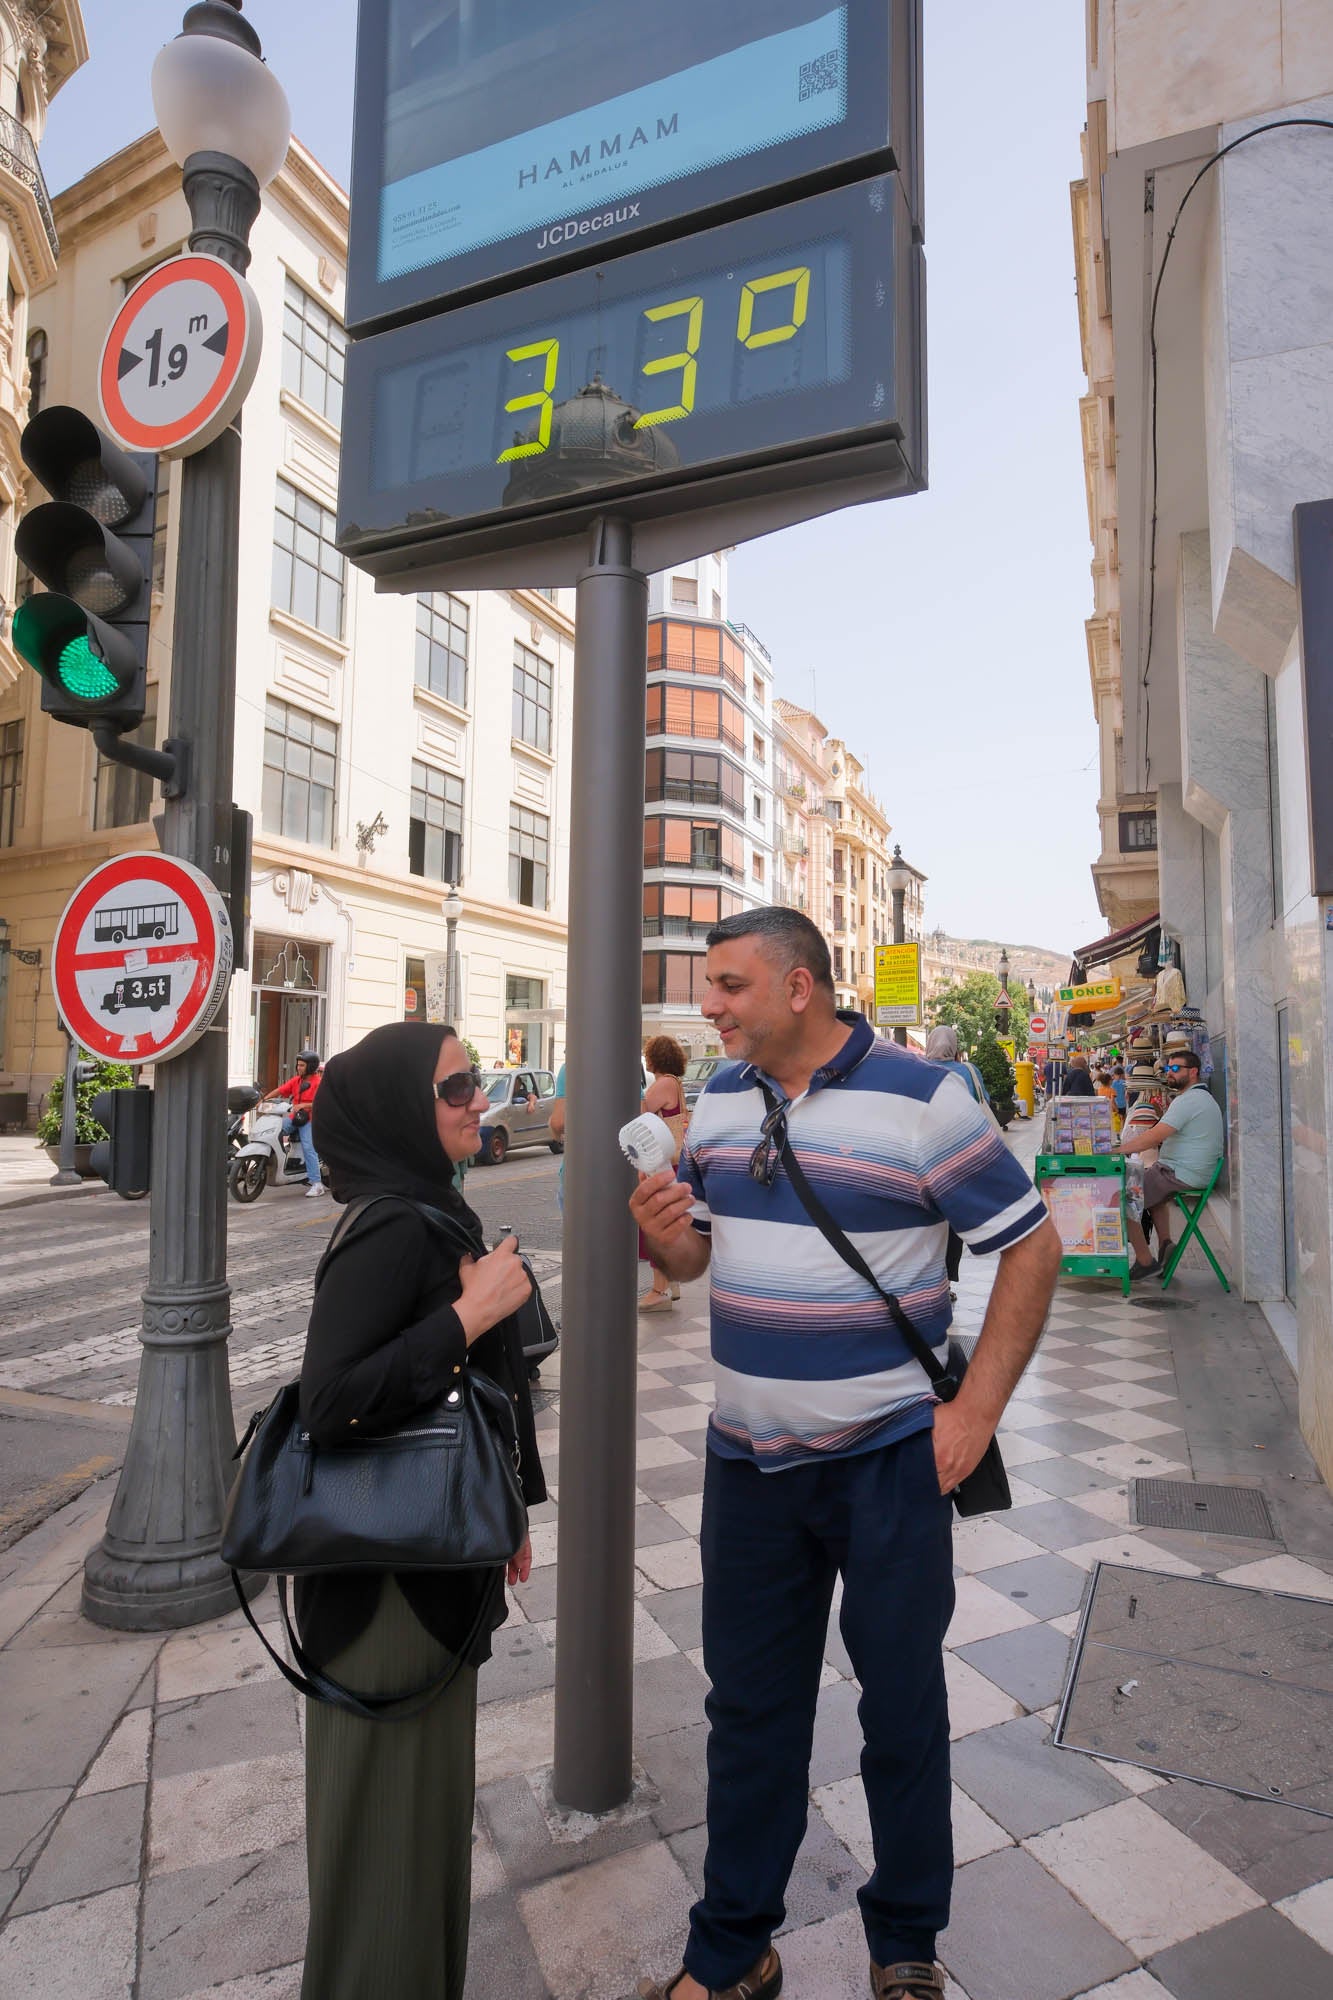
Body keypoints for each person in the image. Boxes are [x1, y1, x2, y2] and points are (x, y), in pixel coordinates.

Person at [629, 908, 1061, 2000]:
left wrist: (974, 1415)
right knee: (748, 1708)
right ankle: (733, 1949)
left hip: (887, 1460)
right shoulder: (721, 1100)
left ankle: (905, 1939)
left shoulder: (924, 1098)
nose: (709, 1003)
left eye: (728, 984)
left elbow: (1031, 1245)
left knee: (900, 1703)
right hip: (748, 1463)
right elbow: (696, 1258)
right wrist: (659, 1227)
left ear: (800, 987)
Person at [299, 1022, 545, 2000]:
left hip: (429, 1567)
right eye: (457, 1086)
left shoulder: (431, 1209)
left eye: (476, 1079)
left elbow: (479, 1395)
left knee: (422, 1827)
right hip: (384, 1594)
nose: (477, 1097)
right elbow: (331, 1399)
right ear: (405, 1107)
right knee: (388, 1847)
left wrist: (511, 1510)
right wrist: (468, 1314)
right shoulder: (396, 1223)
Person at [1114, 1048, 1223, 1278]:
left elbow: (1154, 1136)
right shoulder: (1199, 1098)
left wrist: (1116, 1151)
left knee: (1124, 1198)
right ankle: (1165, 1244)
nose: (1170, 1073)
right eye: (1167, 1069)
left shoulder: (1189, 1101)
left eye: (1176, 1069)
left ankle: (1145, 1262)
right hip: (1183, 1170)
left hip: (1181, 1173)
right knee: (1150, 1189)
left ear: (1193, 1072)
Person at [923, 1026, 989, 1296]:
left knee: (925, 1223)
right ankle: (946, 1283)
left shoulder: (917, 1069)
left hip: (924, 1157)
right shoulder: (969, 1072)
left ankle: (926, 1282)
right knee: (952, 1224)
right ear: (955, 1045)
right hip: (958, 1159)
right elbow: (984, 1104)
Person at [639, 1034, 690, 1312]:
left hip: (662, 1164)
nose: (646, 1059)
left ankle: (659, 1290)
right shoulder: (676, 1083)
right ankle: (670, 1282)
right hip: (674, 1163)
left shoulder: (664, 1084)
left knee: (654, 1227)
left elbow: (640, 1112)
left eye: (648, 1054)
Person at [274, 1048, 325, 1196]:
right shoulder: (296, 1081)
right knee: (274, 1130)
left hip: (309, 1120)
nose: (298, 1068)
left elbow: (322, 1102)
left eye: (302, 1065)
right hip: (294, 1118)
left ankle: (317, 1184)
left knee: (309, 1148)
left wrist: (304, 1105)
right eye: (298, 1065)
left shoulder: (318, 1082)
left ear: (310, 1066)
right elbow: (280, 1090)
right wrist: (261, 1100)